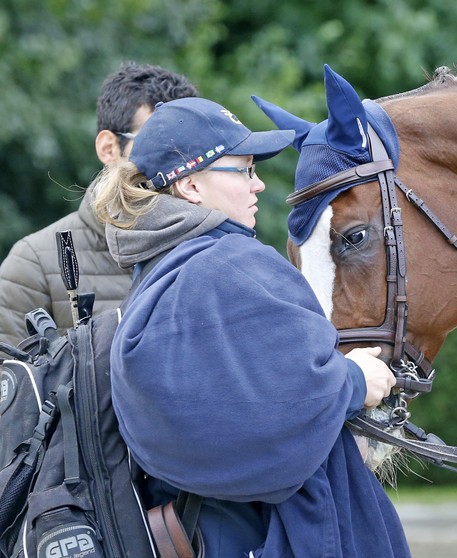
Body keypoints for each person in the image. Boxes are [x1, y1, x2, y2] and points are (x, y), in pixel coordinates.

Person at [92, 97, 411, 557]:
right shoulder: (230, 264)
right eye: (242, 170)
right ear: (191, 188)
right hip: (269, 537)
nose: (258, 184)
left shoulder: (156, 271)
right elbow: (278, 408)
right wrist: (356, 379)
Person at [0, 62, 198, 344]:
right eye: (158, 143)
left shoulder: (210, 250)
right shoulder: (33, 264)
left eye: (191, 150)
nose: (178, 164)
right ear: (108, 148)